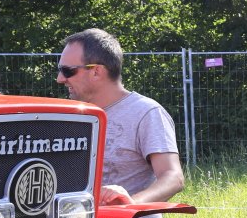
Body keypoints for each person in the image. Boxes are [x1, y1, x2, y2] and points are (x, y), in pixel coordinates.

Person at [55, 28, 185, 205]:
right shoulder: (68, 116)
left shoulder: (146, 113)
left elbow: (173, 177)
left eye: (67, 70)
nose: (60, 79)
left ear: (96, 71)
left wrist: (130, 203)